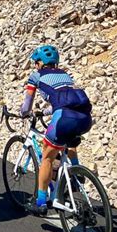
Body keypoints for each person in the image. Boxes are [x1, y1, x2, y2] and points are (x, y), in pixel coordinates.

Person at [19, 44, 92, 216]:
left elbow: (27, 105)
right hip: (84, 118)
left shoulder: (36, 76)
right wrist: (44, 112)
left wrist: (24, 113)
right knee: (68, 141)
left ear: (39, 63)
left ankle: (41, 202)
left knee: (47, 157)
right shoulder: (65, 75)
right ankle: (75, 173)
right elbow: (64, 100)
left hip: (64, 118)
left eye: (35, 62)